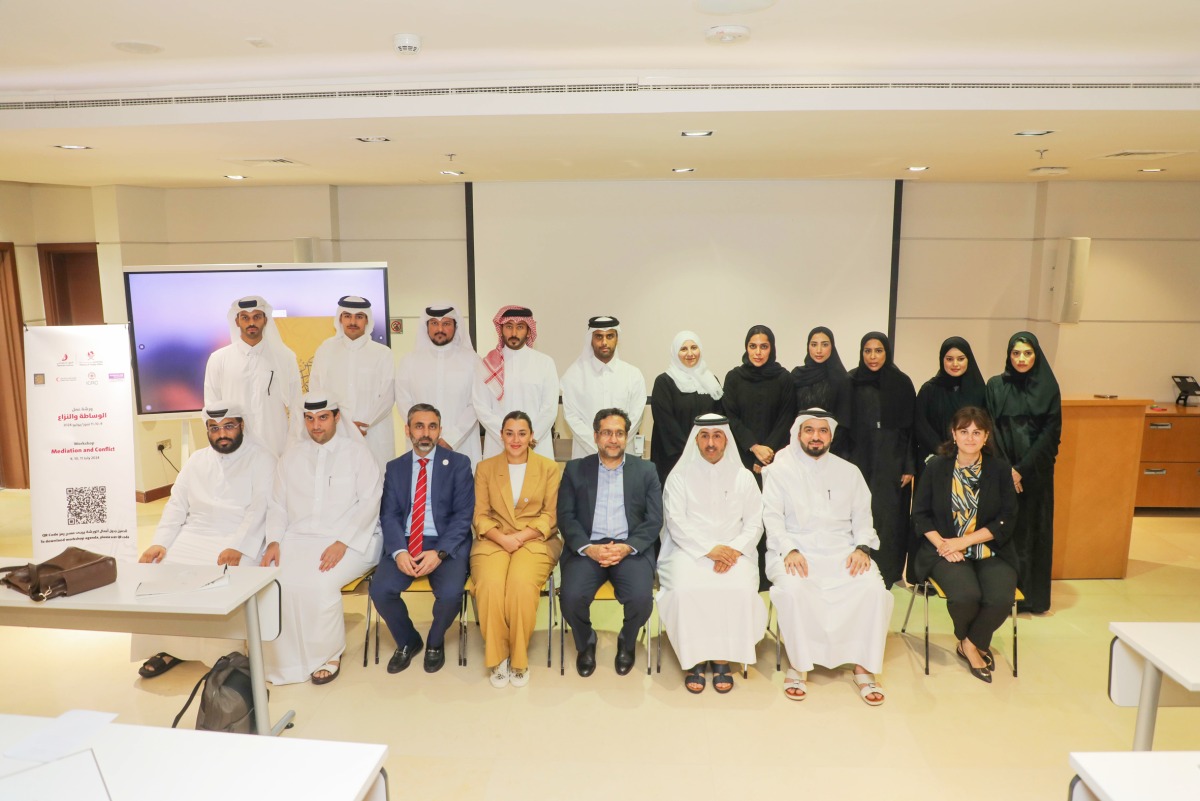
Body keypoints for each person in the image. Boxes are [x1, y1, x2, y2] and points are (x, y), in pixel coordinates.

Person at [132, 401, 276, 678]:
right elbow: (176, 504)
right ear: (208, 430)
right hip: (194, 533)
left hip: (240, 537)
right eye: (215, 428)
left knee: (221, 580)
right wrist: (160, 542)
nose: (222, 434)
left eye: (229, 426)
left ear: (242, 426)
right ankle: (168, 647)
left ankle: (222, 657)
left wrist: (238, 546)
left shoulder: (262, 459)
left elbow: (261, 507)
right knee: (160, 572)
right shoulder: (197, 460)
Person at [764, 411, 892, 705]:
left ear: (831, 437)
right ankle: (799, 665)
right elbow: (771, 518)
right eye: (809, 430)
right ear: (799, 434)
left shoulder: (849, 472)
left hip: (842, 550)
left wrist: (862, 547)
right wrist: (789, 549)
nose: (816, 436)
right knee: (795, 589)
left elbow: (863, 516)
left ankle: (863, 666)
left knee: (872, 590)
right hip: (795, 549)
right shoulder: (780, 472)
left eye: (822, 431)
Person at [261, 395, 383, 685]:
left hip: (353, 539)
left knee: (319, 582)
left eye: (323, 418)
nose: (316, 426)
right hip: (297, 538)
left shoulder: (358, 453)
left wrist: (343, 541)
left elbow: (370, 502)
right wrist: (274, 541)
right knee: (272, 582)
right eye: (310, 419)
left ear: (337, 417)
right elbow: (276, 505)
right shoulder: (290, 457)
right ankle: (279, 660)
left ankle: (327, 654)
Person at [659, 413, 766, 694]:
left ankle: (722, 659)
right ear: (696, 440)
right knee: (686, 588)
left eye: (717, 436)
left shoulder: (744, 477)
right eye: (704, 436)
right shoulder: (679, 476)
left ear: (726, 440)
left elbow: (755, 521)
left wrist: (732, 550)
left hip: (735, 553)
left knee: (739, 589)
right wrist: (709, 550)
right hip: (688, 551)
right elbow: (675, 522)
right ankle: (695, 658)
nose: (711, 443)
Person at [911, 406, 1018, 683]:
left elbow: (1007, 518)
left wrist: (965, 541)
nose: (970, 438)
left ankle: (970, 643)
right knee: (965, 595)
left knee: (1000, 598)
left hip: (988, 547)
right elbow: (920, 515)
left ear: (986, 437)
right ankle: (974, 642)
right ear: (953, 435)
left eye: (976, 432)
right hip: (942, 548)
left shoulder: (1000, 469)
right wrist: (946, 546)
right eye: (964, 432)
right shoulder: (936, 467)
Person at [558, 408, 662, 677]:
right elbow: (566, 517)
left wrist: (626, 547)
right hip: (587, 548)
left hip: (630, 548)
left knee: (641, 599)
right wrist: (589, 549)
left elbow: (653, 520)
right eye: (607, 433)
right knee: (570, 598)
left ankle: (627, 642)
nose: (613, 439)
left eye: (619, 433)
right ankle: (586, 641)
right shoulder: (575, 469)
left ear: (627, 437)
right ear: (596, 436)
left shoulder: (646, 470)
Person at [372, 403, 475, 675]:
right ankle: (408, 641)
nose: (425, 433)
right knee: (380, 590)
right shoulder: (395, 468)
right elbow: (390, 514)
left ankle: (434, 642)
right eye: (419, 426)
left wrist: (439, 553)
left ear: (440, 430)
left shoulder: (459, 464)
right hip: (406, 541)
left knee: (452, 594)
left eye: (432, 426)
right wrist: (398, 552)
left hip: (445, 544)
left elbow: (463, 516)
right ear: (408, 431)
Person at [471, 411, 562, 688]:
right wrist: (502, 538)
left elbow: (550, 515)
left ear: (532, 436)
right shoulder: (486, 468)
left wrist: (521, 537)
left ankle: (519, 659)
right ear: (501, 435)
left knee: (521, 585)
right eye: (509, 433)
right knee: (491, 584)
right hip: (493, 540)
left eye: (522, 433)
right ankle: (498, 657)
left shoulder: (548, 468)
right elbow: (481, 514)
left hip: (535, 540)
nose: (515, 439)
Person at [985, 331, 1061, 614]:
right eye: (1016, 353)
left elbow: (1050, 435)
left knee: (1033, 533)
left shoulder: (1050, 388)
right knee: (1005, 534)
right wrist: (1008, 471)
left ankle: (1032, 598)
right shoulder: (995, 386)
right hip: (1003, 473)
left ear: (1036, 355)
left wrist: (1022, 471)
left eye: (1027, 353)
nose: (1021, 358)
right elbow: (990, 429)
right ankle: (1002, 597)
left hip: (1036, 473)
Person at [721, 324, 796, 590]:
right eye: (753, 346)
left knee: (772, 513)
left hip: (775, 459)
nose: (758, 352)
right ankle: (743, 568)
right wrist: (754, 447)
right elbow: (731, 417)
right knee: (744, 515)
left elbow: (787, 417)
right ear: (746, 347)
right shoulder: (734, 377)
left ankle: (769, 574)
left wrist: (767, 451)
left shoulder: (784, 378)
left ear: (772, 348)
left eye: (764, 346)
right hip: (741, 457)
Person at [842, 331, 915, 589]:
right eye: (867, 351)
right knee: (859, 510)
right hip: (858, 456)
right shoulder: (850, 381)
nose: (873, 357)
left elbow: (910, 429)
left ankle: (889, 569)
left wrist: (908, 465)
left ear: (887, 352)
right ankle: (857, 563)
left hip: (892, 458)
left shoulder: (902, 382)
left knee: (889, 514)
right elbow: (842, 426)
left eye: (878, 351)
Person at [203, 295, 302, 457]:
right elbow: (211, 407)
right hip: (236, 447)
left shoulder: (285, 357)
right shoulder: (218, 359)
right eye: (245, 318)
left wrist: (293, 444)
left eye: (256, 317)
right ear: (236, 321)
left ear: (265, 320)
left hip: (275, 444)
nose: (251, 323)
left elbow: (296, 404)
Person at [309, 295, 395, 469]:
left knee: (375, 484)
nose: (353, 321)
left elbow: (387, 395)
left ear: (367, 320)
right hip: (336, 433)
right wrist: (342, 425)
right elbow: (316, 391)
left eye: (359, 317)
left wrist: (364, 424)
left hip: (372, 433)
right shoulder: (326, 350)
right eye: (347, 316)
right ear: (340, 318)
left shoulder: (383, 353)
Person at [394, 303, 483, 470]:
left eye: (446, 323)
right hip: (422, 444)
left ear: (456, 326)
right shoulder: (409, 361)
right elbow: (404, 401)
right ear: (426, 326)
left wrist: (451, 438)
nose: (440, 328)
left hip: (462, 445)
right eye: (434, 323)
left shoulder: (473, 361)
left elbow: (477, 403)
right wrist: (425, 434)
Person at [472, 305, 559, 461]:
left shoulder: (545, 363)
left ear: (528, 330)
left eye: (520, 327)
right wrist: (508, 437)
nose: (514, 333)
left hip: (536, 445)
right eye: (509, 326)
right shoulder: (487, 365)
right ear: (501, 329)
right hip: (499, 446)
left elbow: (549, 408)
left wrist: (529, 438)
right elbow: (481, 408)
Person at [560, 315, 647, 459]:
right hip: (586, 455)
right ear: (591, 339)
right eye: (599, 336)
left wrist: (614, 445)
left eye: (610, 336)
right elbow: (572, 418)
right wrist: (598, 448)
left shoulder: (633, 375)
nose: (604, 342)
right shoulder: (573, 376)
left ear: (617, 339)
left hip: (623, 455)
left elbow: (636, 417)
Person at [649, 330, 723, 486]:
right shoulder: (664, 382)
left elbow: (719, 418)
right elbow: (666, 425)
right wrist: (692, 453)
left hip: (708, 457)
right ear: (676, 353)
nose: (690, 353)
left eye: (694, 347)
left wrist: (706, 449)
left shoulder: (711, 380)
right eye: (683, 349)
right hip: (674, 460)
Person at [914, 336, 987, 476]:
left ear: (969, 360)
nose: (955, 364)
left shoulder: (980, 391)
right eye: (949, 359)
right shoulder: (929, 390)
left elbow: (984, 425)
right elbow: (921, 425)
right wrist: (943, 451)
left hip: (970, 462)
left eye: (960, 359)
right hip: (935, 460)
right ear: (942, 360)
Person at [790, 326, 849, 426]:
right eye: (814, 344)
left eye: (825, 345)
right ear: (808, 346)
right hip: (799, 438)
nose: (819, 350)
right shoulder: (797, 375)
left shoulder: (841, 378)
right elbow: (790, 414)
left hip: (832, 439)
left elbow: (844, 420)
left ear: (832, 347)